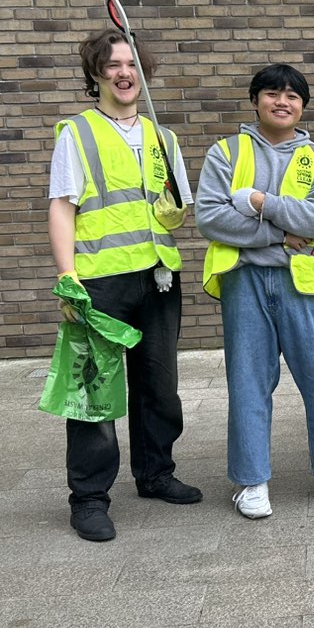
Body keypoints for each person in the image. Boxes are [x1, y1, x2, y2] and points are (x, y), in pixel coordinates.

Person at [195, 64, 314, 519]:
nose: (282, 102)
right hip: (244, 281)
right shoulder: (226, 152)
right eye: (273, 93)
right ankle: (251, 480)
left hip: (307, 284)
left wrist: (260, 202)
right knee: (248, 381)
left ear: (303, 106)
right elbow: (211, 217)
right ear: (255, 100)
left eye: (293, 96)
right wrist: (280, 234)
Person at [47, 29, 200, 543]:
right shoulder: (78, 133)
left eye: (131, 63)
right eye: (112, 64)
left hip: (158, 277)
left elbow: (174, 210)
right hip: (100, 281)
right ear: (96, 74)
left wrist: (175, 212)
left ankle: (155, 473)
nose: (124, 72)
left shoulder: (163, 138)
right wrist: (67, 276)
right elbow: (62, 207)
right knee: (95, 392)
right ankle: (89, 498)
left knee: (160, 386)